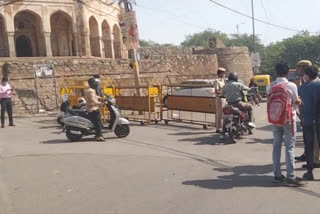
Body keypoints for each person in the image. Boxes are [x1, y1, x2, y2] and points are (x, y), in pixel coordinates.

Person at [267, 61, 304, 186]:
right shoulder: (291, 85)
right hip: (289, 119)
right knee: (290, 147)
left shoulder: (270, 86)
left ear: (276, 72)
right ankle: (291, 176)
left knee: (276, 146)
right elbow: (296, 101)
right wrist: (299, 101)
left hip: (275, 119)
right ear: (288, 72)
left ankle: (277, 175)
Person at [298, 66, 320, 180]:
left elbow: (299, 101)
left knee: (309, 147)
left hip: (308, 120)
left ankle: (309, 172)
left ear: (306, 75)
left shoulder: (302, 88)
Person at [214, 67, 226, 133]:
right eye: (223, 73)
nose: (224, 74)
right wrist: (222, 93)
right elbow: (216, 91)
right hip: (219, 98)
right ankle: (218, 128)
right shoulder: (217, 81)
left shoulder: (223, 80)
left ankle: (223, 126)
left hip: (224, 98)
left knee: (224, 113)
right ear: (220, 73)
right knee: (219, 113)